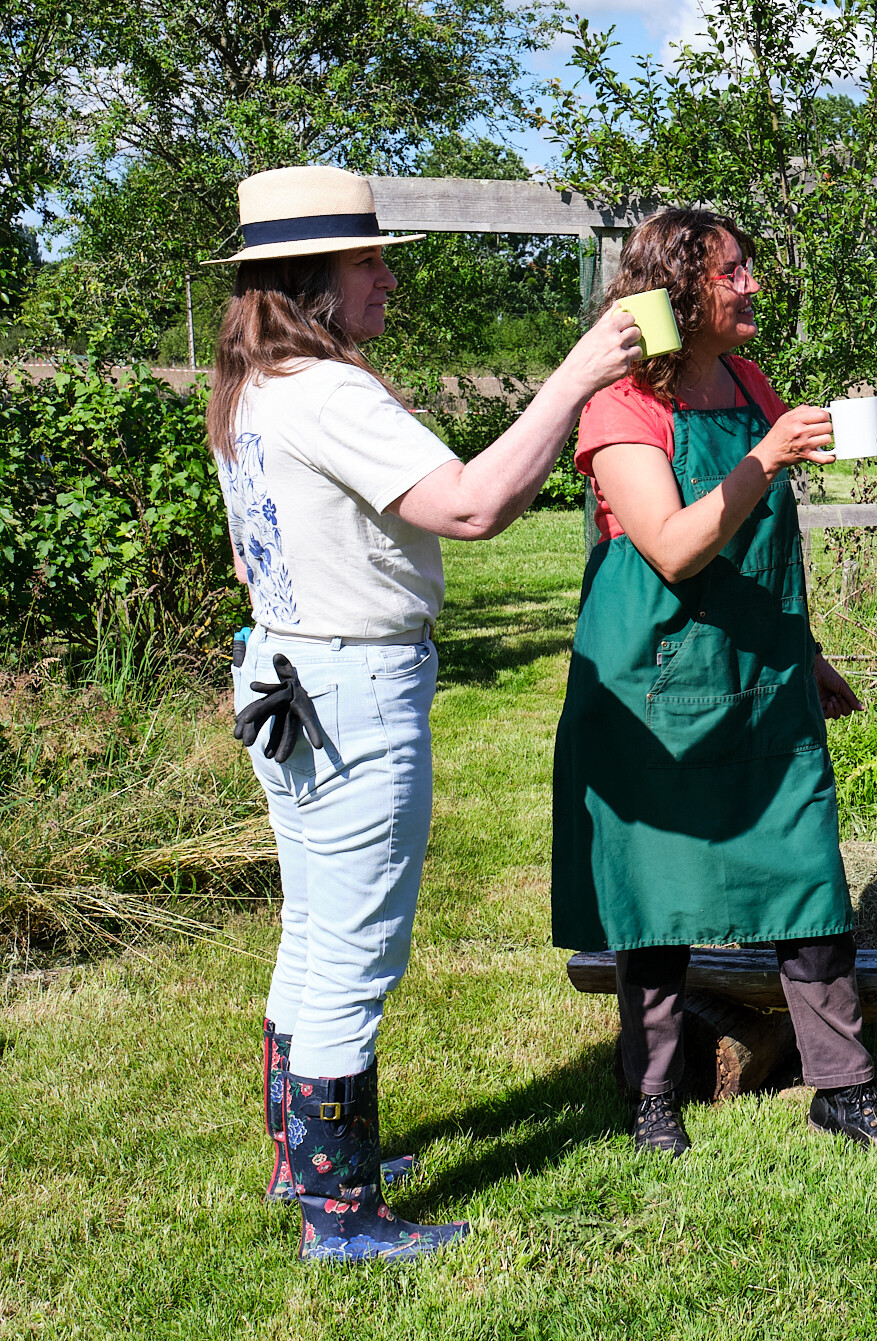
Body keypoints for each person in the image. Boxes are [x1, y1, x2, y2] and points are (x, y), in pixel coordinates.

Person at [211, 166, 642, 1262]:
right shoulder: (327, 393)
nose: (387, 279)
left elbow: (248, 552)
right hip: (349, 687)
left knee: (313, 930)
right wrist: (580, 373)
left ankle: (302, 1160)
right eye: (368, 261)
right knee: (355, 954)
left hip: (283, 670)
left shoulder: (253, 387)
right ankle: (342, 1216)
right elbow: (471, 505)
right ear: (310, 276)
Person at [551, 209, 877, 1156]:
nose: (752, 285)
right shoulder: (621, 406)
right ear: (677, 292)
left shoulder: (750, 383)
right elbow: (671, 545)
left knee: (807, 872)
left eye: (748, 267)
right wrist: (766, 456)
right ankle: (654, 1093)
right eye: (732, 272)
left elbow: (769, 543)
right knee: (654, 890)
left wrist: (807, 648)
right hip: (655, 679)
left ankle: (846, 1086)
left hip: (759, 666)